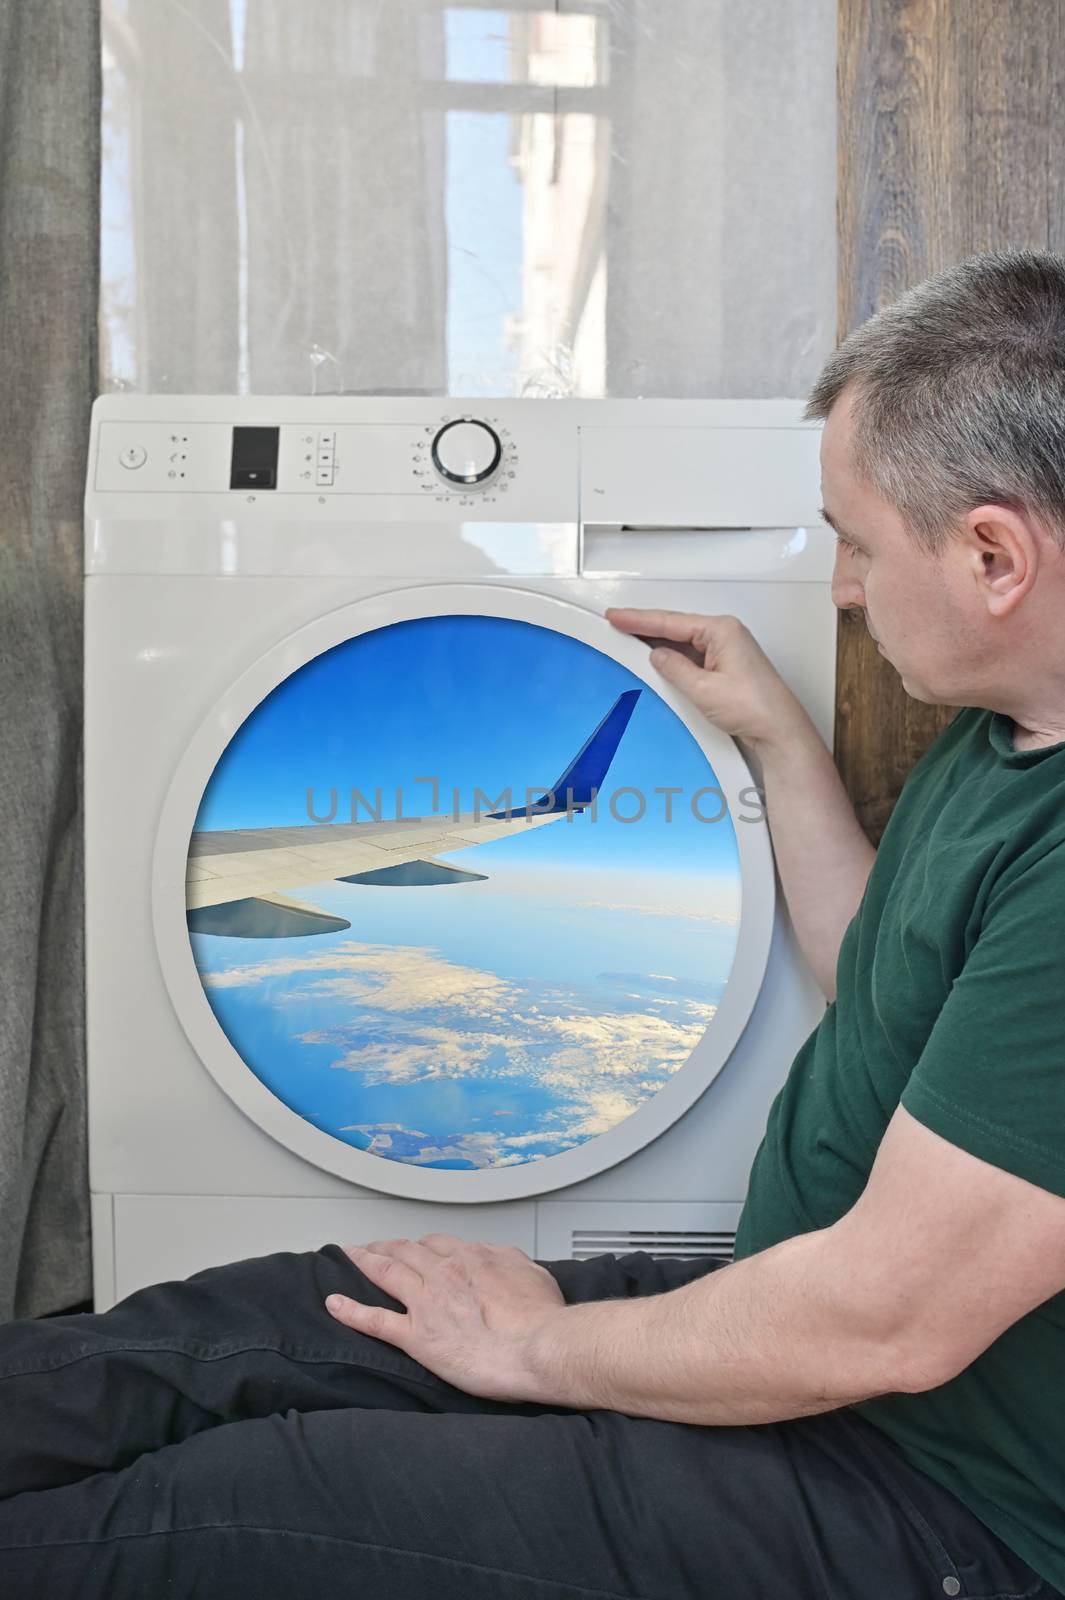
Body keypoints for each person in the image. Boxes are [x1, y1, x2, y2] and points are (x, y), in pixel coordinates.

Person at [2, 249, 1064, 1599]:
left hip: (930, 1502)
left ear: (992, 556)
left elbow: (884, 1325)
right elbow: (881, 984)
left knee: (206, 1516)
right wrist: (779, 745)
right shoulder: (1005, 736)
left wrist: (527, 1352)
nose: (842, 589)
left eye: (855, 543)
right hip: (794, 1320)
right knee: (230, 1334)